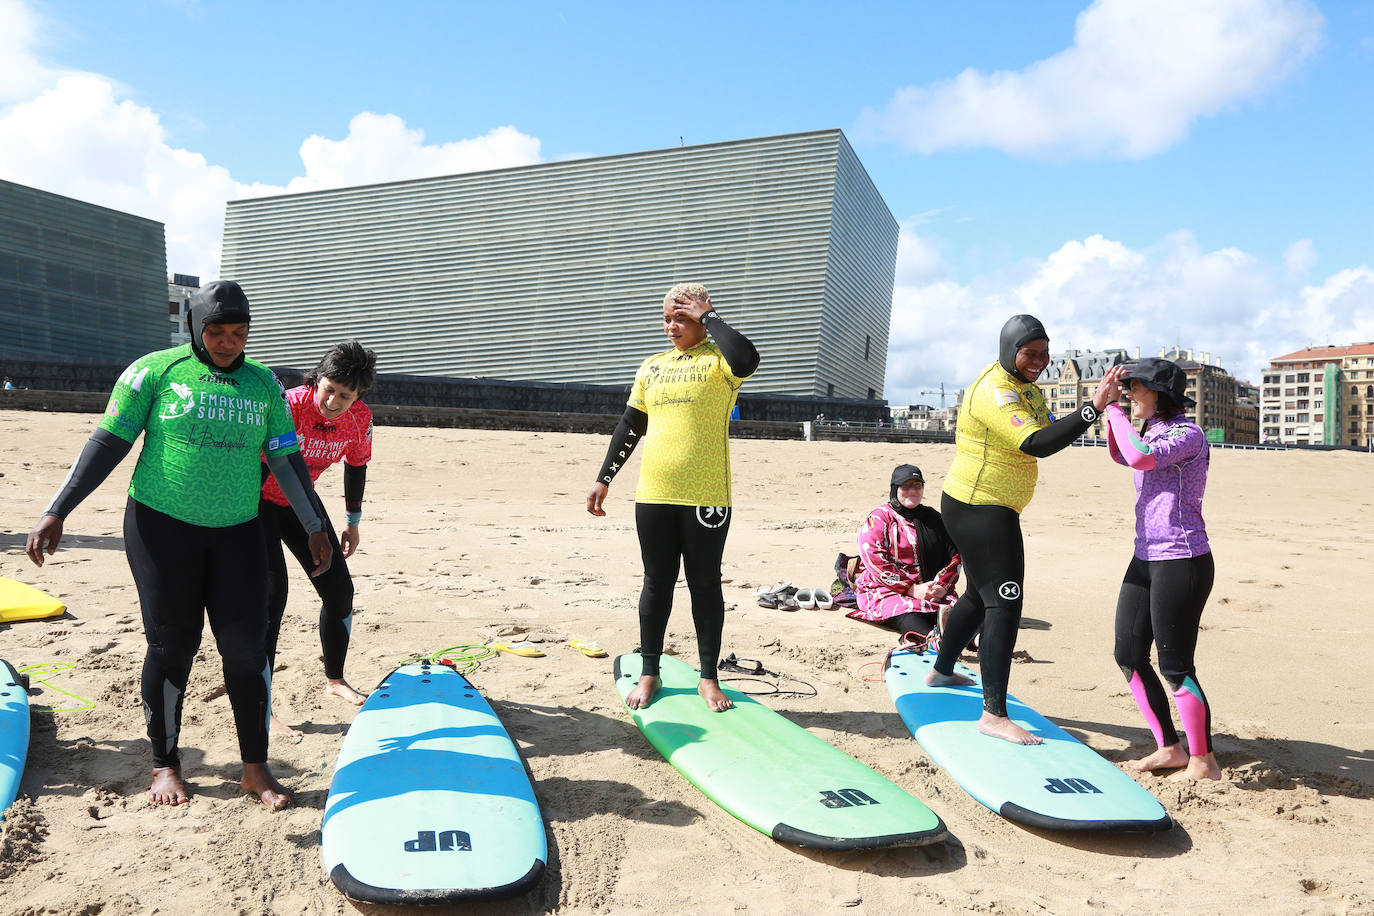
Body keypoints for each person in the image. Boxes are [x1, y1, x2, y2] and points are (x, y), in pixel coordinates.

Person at [25, 280, 331, 809]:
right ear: (195, 326)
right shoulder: (154, 371)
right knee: (173, 643)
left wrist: (314, 524)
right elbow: (108, 443)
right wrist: (58, 509)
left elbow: (286, 459)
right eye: (216, 331)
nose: (228, 342)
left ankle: (254, 769)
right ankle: (165, 764)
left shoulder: (264, 386)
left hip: (237, 529)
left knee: (246, 646)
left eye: (239, 333)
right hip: (161, 526)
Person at [926, 314, 1127, 744]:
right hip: (982, 509)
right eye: (1030, 353)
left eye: (1044, 353)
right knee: (1004, 604)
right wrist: (1094, 406)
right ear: (1009, 350)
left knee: (979, 597)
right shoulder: (998, 392)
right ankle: (994, 715)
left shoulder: (1020, 383)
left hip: (982, 505)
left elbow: (1050, 429)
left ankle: (942, 670)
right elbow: (1037, 442)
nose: (1039, 361)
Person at [586, 282, 759, 712]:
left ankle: (708, 677)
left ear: (701, 317)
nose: (671, 327)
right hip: (655, 494)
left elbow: (748, 357)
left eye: (681, 318)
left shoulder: (720, 362)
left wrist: (711, 318)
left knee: (705, 585)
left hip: (707, 495)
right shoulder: (653, 367)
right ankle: (650, 671)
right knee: (656, 583)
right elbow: (630, 424)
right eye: (666, 318)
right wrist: (605, 477)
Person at [1101, 358, 1220, 780]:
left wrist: (1113, 409)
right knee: (1129, 654)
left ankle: (1204, 760)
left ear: (1161, 394)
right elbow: (1121, 452)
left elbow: (1139, 457)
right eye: (1128, 387)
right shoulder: (1151, 429)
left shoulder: (1188, 434)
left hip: (1182, 559)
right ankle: (1169, 747)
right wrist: (1111, 405)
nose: (1131, 393)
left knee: (1175, 666)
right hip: (1146, 556)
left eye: (1137, 388)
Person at [259, 340, 376, 736]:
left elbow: (356, 466)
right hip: (254, 502)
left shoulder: (359, 419)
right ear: (316, 380)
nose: (333, 401)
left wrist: (352, 521)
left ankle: (335, 679)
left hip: (300, 505)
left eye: (346, 395)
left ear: (358, 397)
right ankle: (263, 709)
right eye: (329, 389)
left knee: (339, 590)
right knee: (272, 599)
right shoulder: (288, 405)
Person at [847, 464, 961, 645]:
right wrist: (911, 589)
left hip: (931, 588)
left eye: (917, 486)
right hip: (887, 588)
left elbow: (954, 556)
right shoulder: (880, 518)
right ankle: (932, 641)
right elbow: (874, 558)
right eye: (906, 487)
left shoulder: (934, 518)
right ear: (895, 489)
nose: (912, 491)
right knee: (908, 614)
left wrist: (942, 586)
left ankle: (978, 641)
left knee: (960, 613)